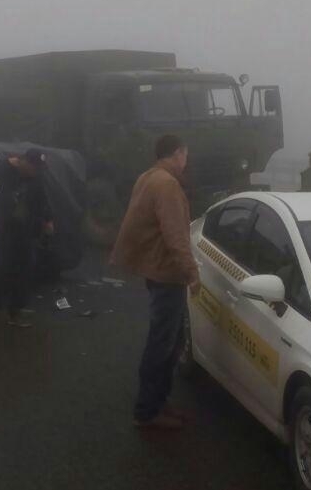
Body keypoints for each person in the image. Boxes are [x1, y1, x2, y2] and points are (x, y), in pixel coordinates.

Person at [110, 134, 200, 431]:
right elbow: (175, 235)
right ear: (177, 153)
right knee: (161, 344)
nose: (187, 160)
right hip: (167, 273)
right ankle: (147, 411)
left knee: (171, 341)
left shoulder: (149, 177)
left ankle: (159, 401)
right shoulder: (167, 185)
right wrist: (192, 273)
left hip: (156, 268)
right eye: (186, 154)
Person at [0, 148, 53, 328]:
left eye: (38, 168)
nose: (36, 171)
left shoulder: (37, 177)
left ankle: (16, 312)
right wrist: (5, 164)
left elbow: (43, 199)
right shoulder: (7, 169)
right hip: (4, 229)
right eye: (33, 167)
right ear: (25, 162)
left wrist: (48, 220)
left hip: (26, 230)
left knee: (23, 271)